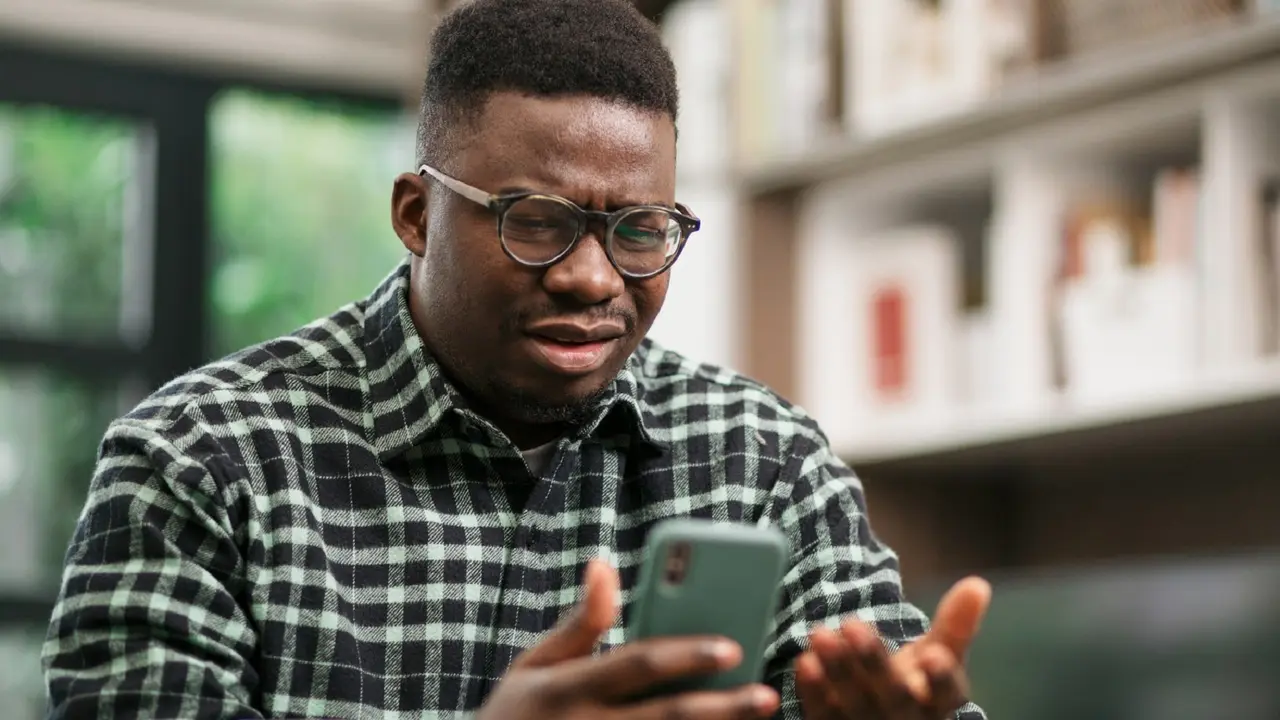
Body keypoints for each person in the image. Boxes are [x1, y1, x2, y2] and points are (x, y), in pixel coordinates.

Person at [43, 0, 992, 718]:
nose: (592, 278)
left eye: (640, 229)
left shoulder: (767, 463)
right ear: (416, 214)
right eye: (536, 222)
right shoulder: (199, 462)